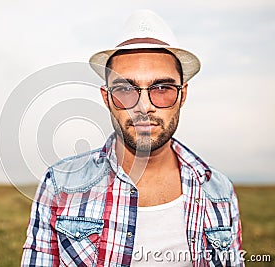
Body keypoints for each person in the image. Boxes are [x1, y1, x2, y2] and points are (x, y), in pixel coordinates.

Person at [21, 10, 244, 267]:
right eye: (125, 89)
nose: (144, 106)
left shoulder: (218, 190)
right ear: (107, 99)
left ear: (183, 96)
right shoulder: (60, 183)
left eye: (162, 88)